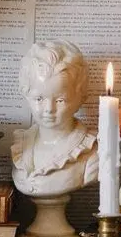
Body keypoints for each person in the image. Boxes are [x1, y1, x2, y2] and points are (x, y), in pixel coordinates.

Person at [12, 41, 98, 198]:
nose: (48, 109)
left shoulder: (92, 153)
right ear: (26, 95)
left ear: (80, 98)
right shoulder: (22, 144)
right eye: (38, 99)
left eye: (60, 100)